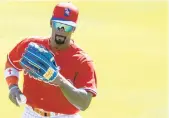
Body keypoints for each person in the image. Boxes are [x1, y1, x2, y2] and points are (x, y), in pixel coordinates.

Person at [4, 2, 97, 118]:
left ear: (73, 29)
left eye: (66, 27)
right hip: (31, 113)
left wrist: (59, 80)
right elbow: (11, 64)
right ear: (51, 23)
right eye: (58, 25)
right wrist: (13, 86)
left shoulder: (82, 61)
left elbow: (84, 103)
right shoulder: (30, 46)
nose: (61, 30)